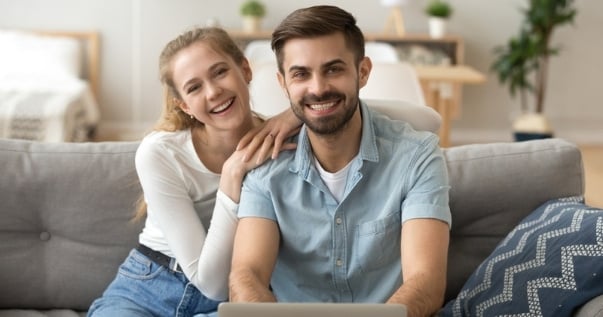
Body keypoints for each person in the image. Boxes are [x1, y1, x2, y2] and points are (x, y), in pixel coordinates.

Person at [228, 5, 451, 317]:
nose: (318, 88)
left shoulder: (416, 156)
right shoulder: (266, 166)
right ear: (283, 84)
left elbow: (426, 283)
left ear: (362, 71)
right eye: (301, 74)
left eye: (333, 69)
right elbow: (246, 275)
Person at [88, 27, 299, 317]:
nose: (213, 92)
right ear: (184, 105)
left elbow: (349, 105)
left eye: (220, 72)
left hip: (237, 293)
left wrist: (296, 112)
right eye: (194, 87)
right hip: (148, 289)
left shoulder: (280, 141)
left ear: (245, 69)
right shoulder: (161, 153)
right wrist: (231, 176)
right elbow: (209, 282)